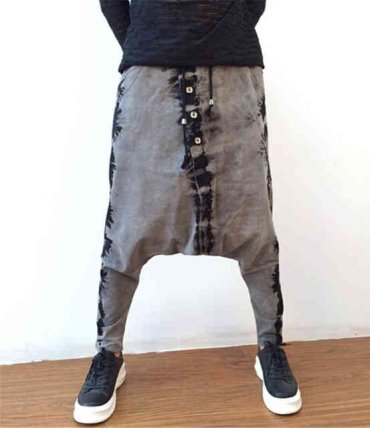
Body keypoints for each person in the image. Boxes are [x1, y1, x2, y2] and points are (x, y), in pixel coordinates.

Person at [73, 0, 302, 424]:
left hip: (234, 73)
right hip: (149, 74)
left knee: (253, 224)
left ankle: (270, 346)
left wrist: (228, 30)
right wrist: (147, 41)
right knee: (127, 226)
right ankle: (109, 353)